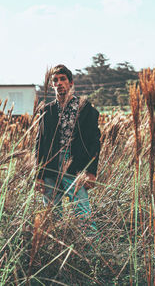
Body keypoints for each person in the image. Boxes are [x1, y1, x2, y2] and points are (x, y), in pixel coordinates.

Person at [34, 64, 101, 234]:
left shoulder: (85, 108)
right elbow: (39, 144)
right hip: (50, 166)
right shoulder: (46, 110)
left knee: (82, 212)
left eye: (62, 79)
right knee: (51, 215)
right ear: (51, 85)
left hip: (75, 165)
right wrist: (38, 175)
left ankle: (90, 251)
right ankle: (54, 247)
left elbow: (94, 141)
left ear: (71, 83)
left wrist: (91, 172)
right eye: (55, 80)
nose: (59, 83)